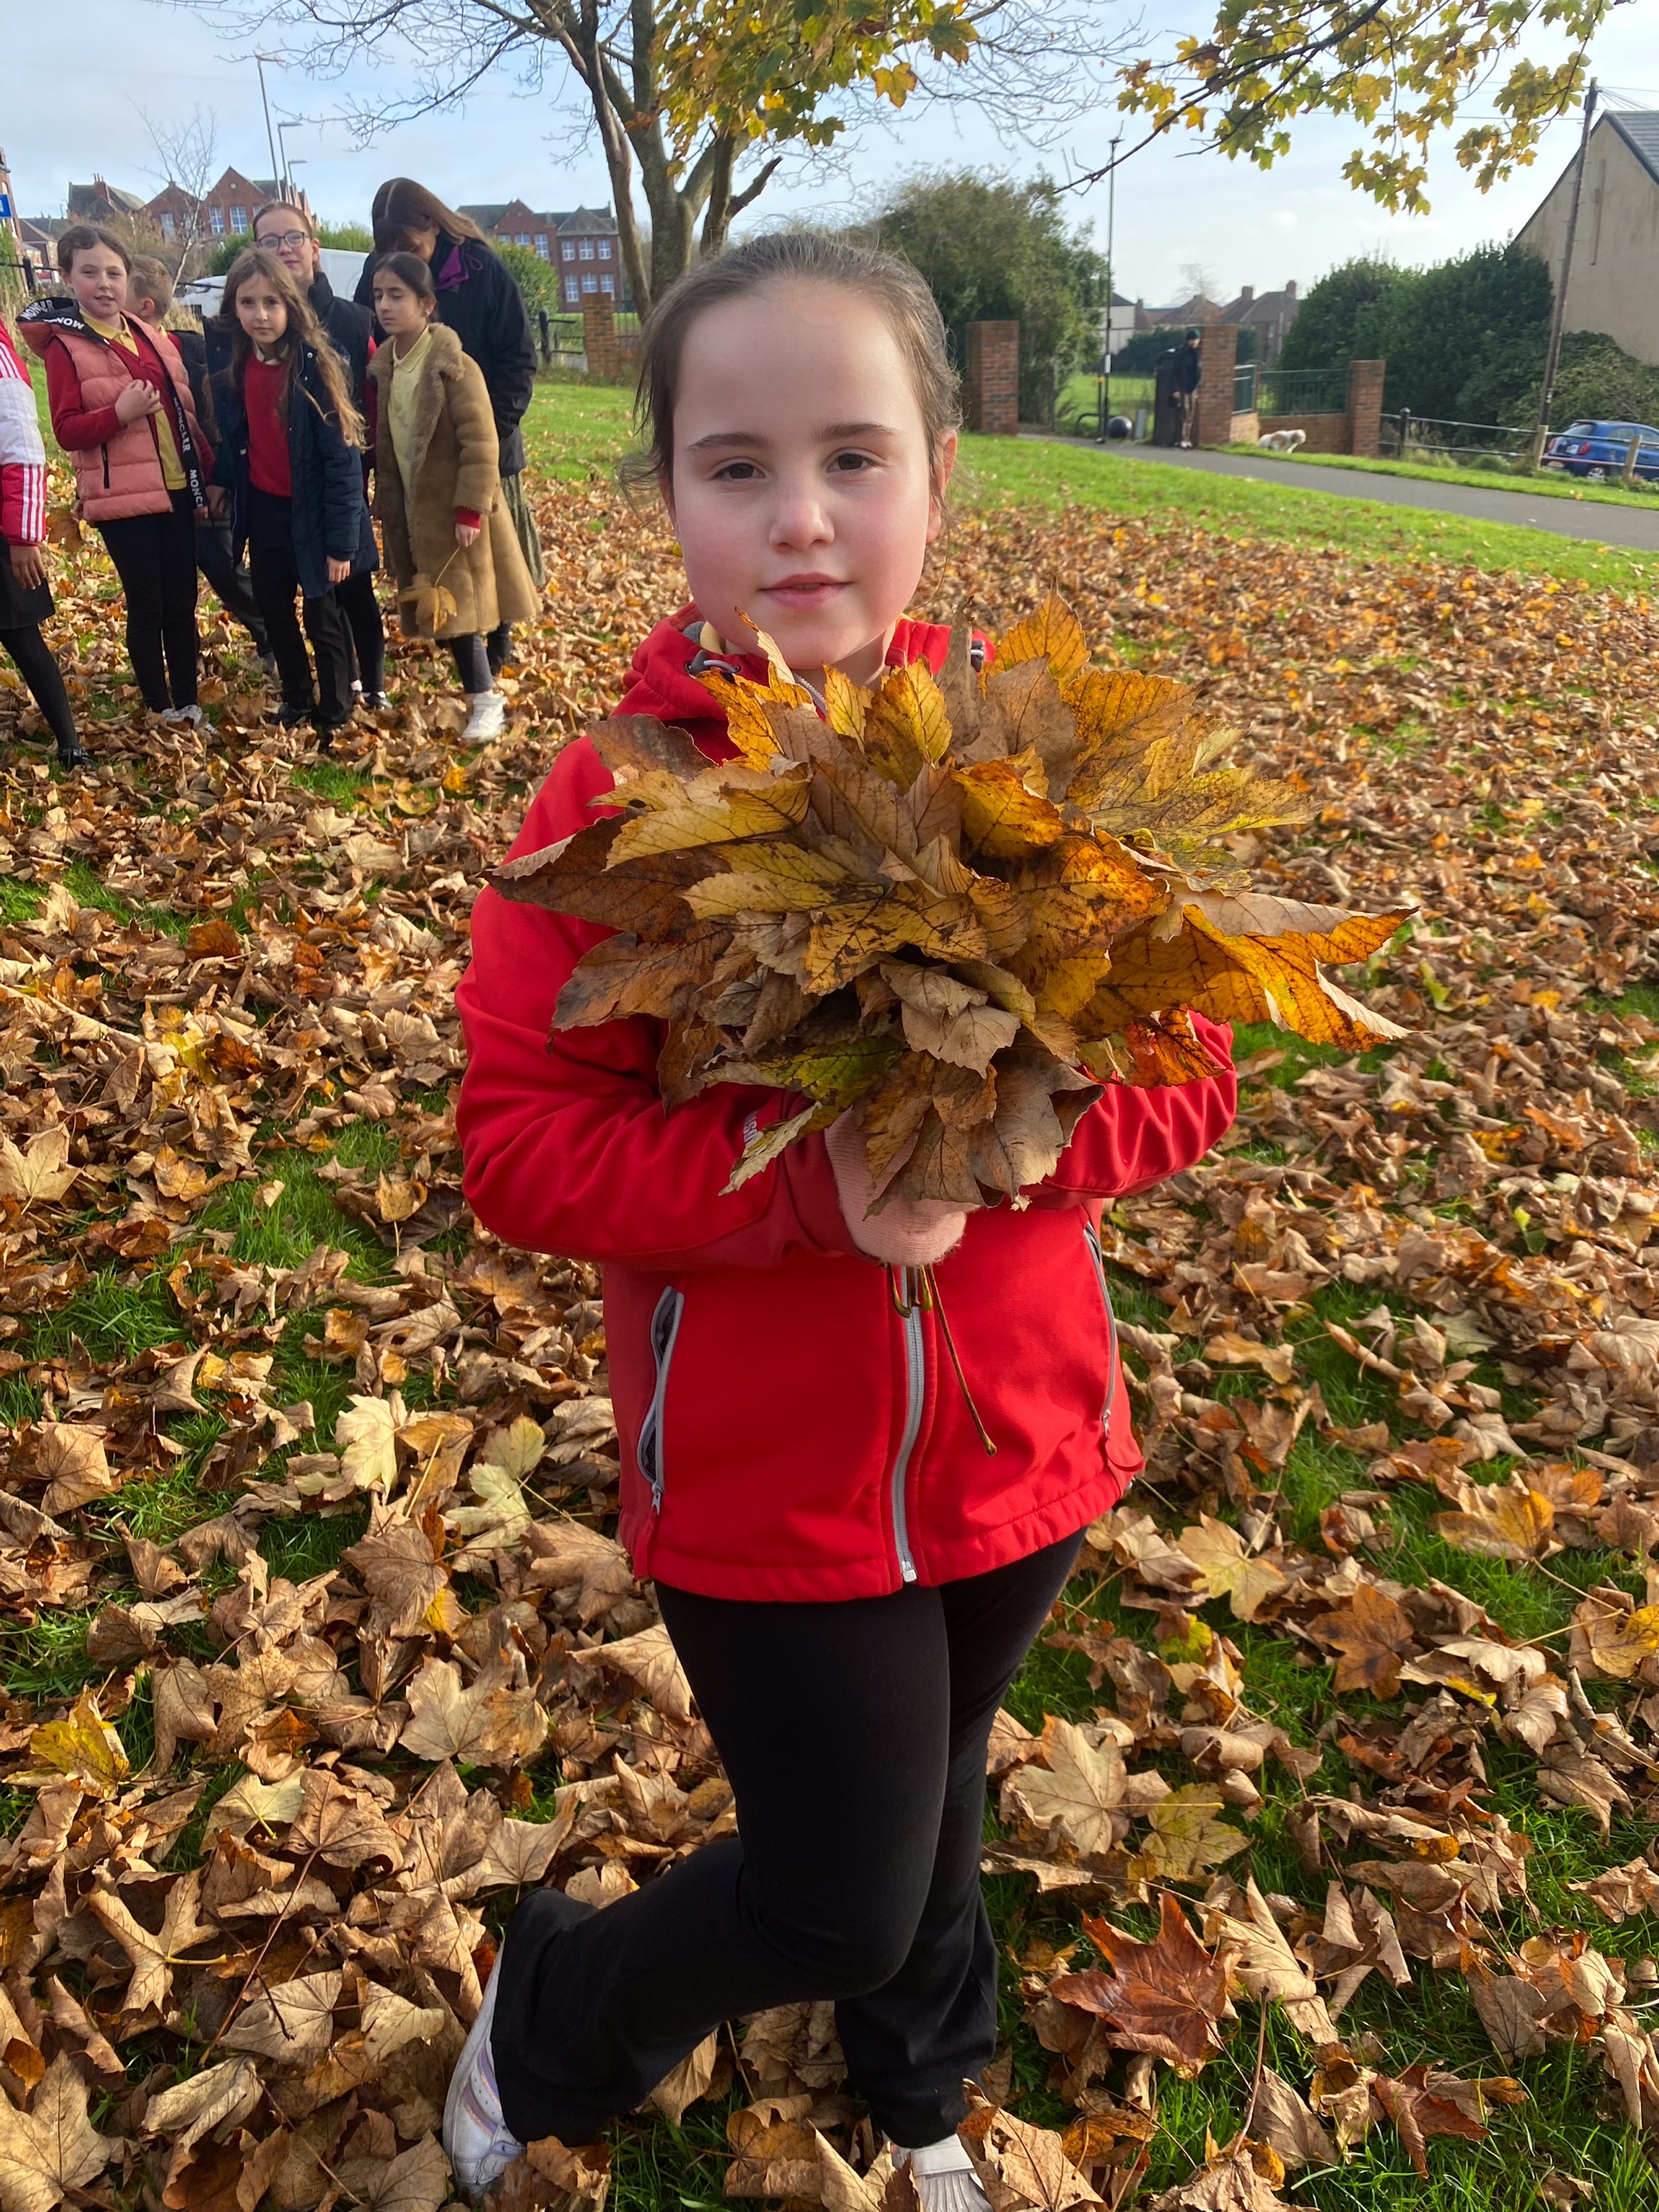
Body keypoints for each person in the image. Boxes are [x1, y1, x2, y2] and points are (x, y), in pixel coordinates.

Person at [447, 232, 1238, 2201]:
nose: (799, 516)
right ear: (667, 493)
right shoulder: (609, 806)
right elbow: (522, 1148)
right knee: (834, 1887)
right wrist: (810, 1190)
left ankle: (920, 2084)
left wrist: (1032, 1142)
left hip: (1019, 1438)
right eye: (737, 465)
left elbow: (1194, 1067)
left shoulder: (1030, 769)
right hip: (763, 1483)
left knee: (939, 1787)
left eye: (853, 457)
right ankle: (559, 2002)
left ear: (937, 479)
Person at [18, 225, 212, 727]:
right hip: (122, 497)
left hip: (175, 486)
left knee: (182, 602)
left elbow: (183, 410)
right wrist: (119, 415)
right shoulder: (65, 347)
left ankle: (188, 703)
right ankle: (159, 707)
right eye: (90, 273)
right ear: (67, 277)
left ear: (127, 278)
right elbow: (66, 430)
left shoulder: (147, 334)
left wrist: (206, 471)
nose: (104, 284)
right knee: (148, 604)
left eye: (113, 273)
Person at [356, 179, 541, 674]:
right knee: (436, 554)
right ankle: (458, 638)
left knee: (492, 556)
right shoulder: (382, 274)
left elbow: (518, 358)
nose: (397, 254)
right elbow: (369, 345)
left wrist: (483, 433)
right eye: (387, 247)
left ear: (433, 225)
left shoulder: (481, 270)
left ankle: (497, 639)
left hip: (484, 436)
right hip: (415, 449)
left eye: (409, 244)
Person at [209, 251, 377, 746]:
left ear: (291, 306)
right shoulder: (237, 366)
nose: (260, 315)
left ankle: (336, 709)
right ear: (234, 307)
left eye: (271, 303)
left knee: (323, 614)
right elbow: (240, 438)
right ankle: (297, 696)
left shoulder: (317, 367)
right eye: (248, 303)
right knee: (274, 608)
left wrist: (342, 545)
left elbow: (342, 464)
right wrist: (221, 480)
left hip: (316, 514)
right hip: (266, 510)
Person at [368, 253, 537, 746]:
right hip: (414, 510)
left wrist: (470, 508)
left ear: (427, 304)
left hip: (454, 509)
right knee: (446, 608)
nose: (384, 305)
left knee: (457, 610)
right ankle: (486, 684)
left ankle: (485, 701)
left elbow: (481, 440)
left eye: (397, 295)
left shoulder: (454, 367)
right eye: (378, 295)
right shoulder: (385, 368)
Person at [247, 202, 388, 709]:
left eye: (292, 237)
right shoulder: (248, 328)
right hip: (278, 489)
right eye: (270, 240)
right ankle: (334, 682)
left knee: (352, 586)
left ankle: (371, 682)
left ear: (313, 246)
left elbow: (372, 402)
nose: (283, 248)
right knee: (308, 595)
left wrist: (367, 472)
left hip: (341, 475)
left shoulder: (350, 319)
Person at [127, 256, 273, 676]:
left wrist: (218, 479)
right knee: (168, 582)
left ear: (146, 307)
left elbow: (220, 419)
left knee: (226, 570)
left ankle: (272, 640)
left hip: (204, 485)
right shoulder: (113, 357)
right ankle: (184, 660)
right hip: (148, 489)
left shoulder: (193, 350)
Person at [0, 312, 89, 769]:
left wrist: (22, 537)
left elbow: (22, 451)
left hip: (3, 531)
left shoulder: (1, 362)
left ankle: (69, 742)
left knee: (21, 636)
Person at [1174, 326, 1201, 448]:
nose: (1194, 342)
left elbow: (1199, 373)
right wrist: (1176, 389)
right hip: (1183, 387)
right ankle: (1181, 439)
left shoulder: (1198, 354)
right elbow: (1176, 372)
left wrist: (1198, 388)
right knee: (1184, 413)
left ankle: (1187, 438)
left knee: (1191, 414)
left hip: (1193, 388)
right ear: (1188, 340)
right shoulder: (1182, 353)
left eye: (1196, 339)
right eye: (1192, 339)